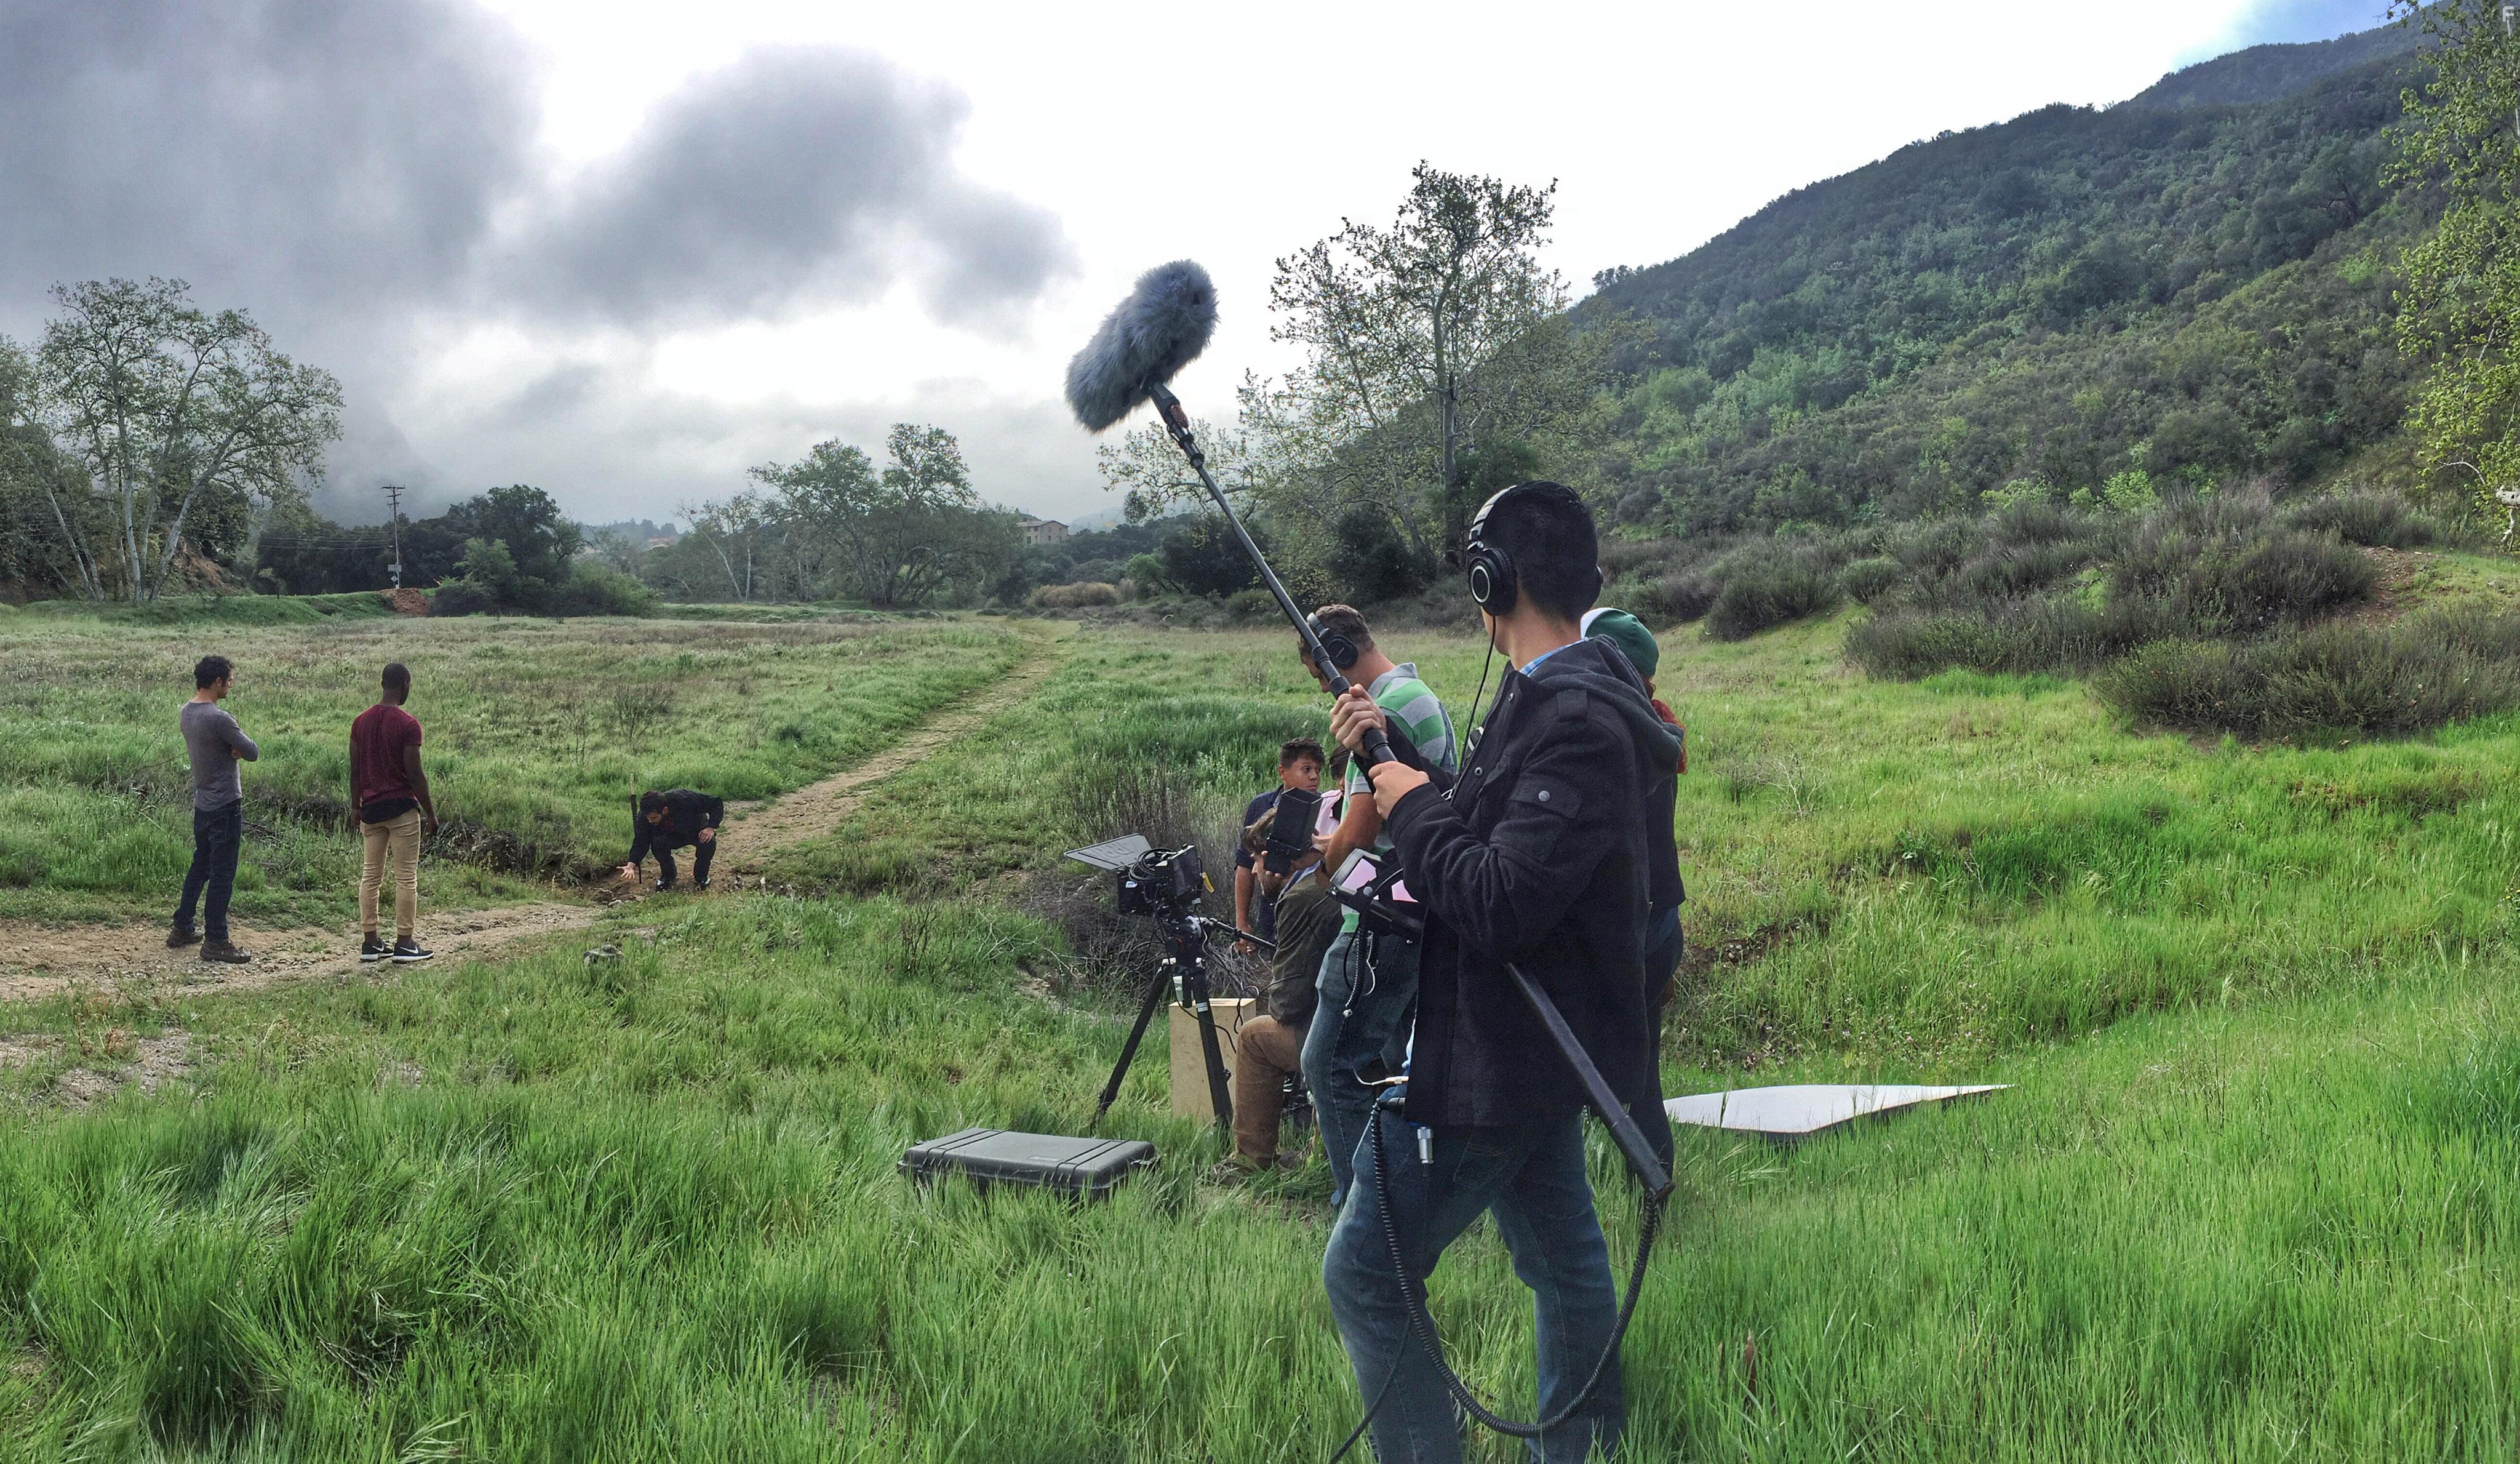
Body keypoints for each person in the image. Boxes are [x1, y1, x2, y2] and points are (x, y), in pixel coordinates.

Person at [1322, 481, 1681, 1464]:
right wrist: (1398, 764)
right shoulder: (1565, 695)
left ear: (1492, 582)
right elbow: (1501, 827)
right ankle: (1584, 1448)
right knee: (1562, 1258)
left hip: (1496, 1058)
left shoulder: (1574, 716)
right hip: (1535, 1050)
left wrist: (1407, 810)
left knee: (1365, 1272)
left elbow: (1497, 898)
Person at [1296, 603, 1458, 1211]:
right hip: (1417, 911)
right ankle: (1400, 1199)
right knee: (1385, 1064)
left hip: (1379, 923)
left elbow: (1358, 834)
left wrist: (1319, 859)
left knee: (1333, 1066)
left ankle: (1361, 1211)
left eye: (1321, 675)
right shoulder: (1416, 693)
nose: (1324, 691)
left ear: (1338, 655)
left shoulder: (1381, 715)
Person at [1212, 801, 1346, 1181]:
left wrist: (1273, 985)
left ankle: (1250, 1161)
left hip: (1342, 1032)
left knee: (1255, 1037)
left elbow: (1288, 1003)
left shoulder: (1301, 898)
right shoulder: (1336, 877)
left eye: (1256, 861)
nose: (1255, 872)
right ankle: (1317, 1151)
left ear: (1271, 859)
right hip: (1375, 1021)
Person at [349, 662, 438, 964]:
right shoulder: (408, 724)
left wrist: (355, 807)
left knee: (370, 875)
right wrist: (430, 812)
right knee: (406, 878)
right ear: (405, 686)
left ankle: (370, 942)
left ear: (382, 684)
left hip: (370, 810)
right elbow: (416, 775)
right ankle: (405, 942)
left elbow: (355, 771)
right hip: (401, 810)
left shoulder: (360, 722)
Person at [171, 654, 258, 963]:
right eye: (230, 680)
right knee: (223, 873)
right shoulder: (220, 718)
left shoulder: (186, 712)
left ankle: (182, 926)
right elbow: (253, 751)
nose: (232, 685)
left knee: (201, 866)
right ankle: (217, 940)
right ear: (218, 682)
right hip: (225, 805)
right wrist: (235, 749)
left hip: (202, 804)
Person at [1232, 737, 1325, 953]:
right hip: (1270, 916)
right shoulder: (1262, 806)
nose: (1314, 777)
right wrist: (1242, 923)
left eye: (1318, 770)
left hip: (1309, 918)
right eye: (1307, 769)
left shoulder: (1325, 806)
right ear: (1282, 772)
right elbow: (1245, 865)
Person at [620, 789, 724, 891]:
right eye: (648, 818)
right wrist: (631, 865)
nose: (650, 821)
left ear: (664, 810)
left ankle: (702, 877)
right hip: (670, 836)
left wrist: (711, 827)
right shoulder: (645, 817)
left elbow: (716, 803)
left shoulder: (683, 798)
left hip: (695, 829)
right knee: (657, 844)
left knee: (708, 842)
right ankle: (668, 876)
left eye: (654, 818)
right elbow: (641, 841)